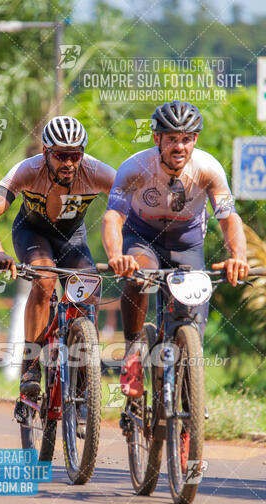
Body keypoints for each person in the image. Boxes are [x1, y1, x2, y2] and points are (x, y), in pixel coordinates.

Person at [102, 100, 249, 396]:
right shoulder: (134, 167)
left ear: (195, 140)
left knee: (191, 325)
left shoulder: (209, 169)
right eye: (172, 139)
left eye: (186, 139)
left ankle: (187, 404)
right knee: (140, 275)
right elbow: (113, 217)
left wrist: (239, 258)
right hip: (143, 238)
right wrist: (117, 257)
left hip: (187, 243)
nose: (179, 146)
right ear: (157, 139)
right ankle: (132, 354)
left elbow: (229, 218)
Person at [0, 115, 116, 397]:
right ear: (45, 153)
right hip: (32, 233)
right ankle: (31, 364)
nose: (68, 163)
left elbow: (128, 208)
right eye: (61, 155)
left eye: (74, 155)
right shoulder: (27, 170)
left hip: (71, 238)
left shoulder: (97, 172)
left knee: (89, 287)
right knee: (45, 280)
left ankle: (85, 362)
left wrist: (128, 250)